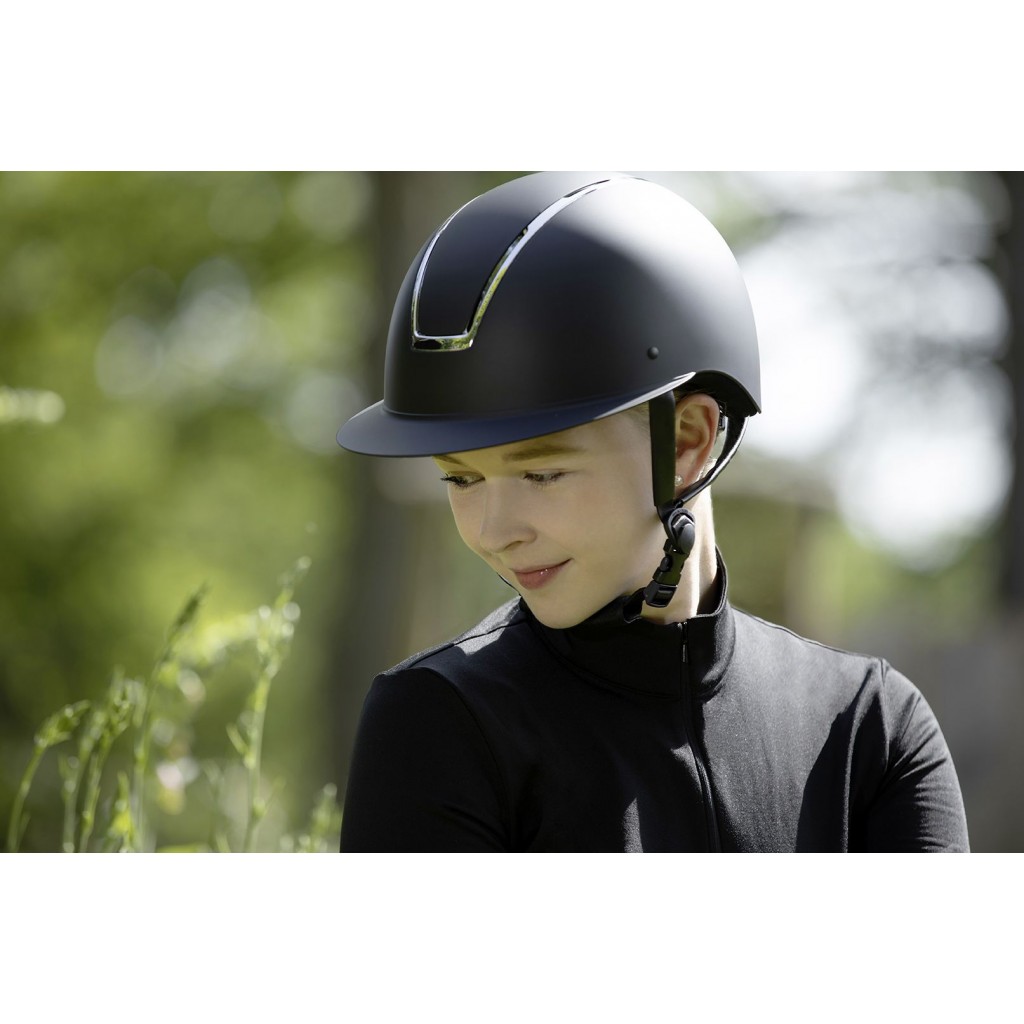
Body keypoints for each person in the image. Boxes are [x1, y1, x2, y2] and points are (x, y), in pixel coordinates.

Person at [335, 171, 970, 852]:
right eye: (460, 479)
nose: (494, 532)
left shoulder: (872, 731)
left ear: (688, 441)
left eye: (542, 473)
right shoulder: (439, 721)